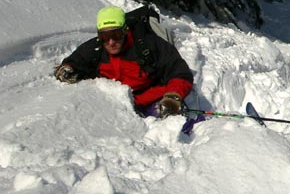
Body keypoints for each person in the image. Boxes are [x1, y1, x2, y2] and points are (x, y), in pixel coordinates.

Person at [54, 6, 193, 118]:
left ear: (126, 31)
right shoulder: (96, 48)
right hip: (116, 107)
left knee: (172, 125)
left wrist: (173, 96)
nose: (111, 42)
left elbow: (179, 72)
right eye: (104, 36)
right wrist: (67, 69)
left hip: (152, 100)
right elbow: (75, 61)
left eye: (116, 35)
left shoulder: (149, 45)